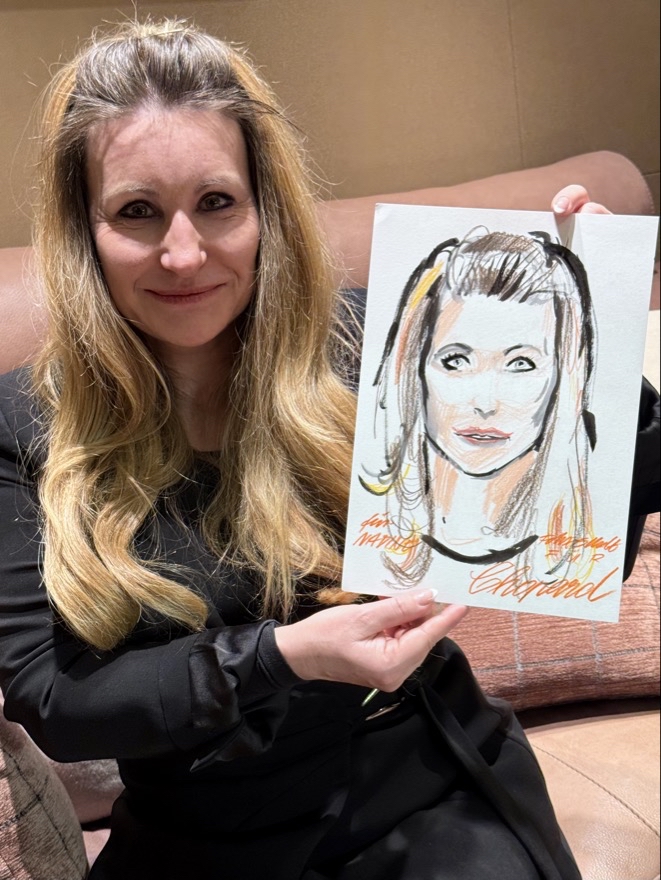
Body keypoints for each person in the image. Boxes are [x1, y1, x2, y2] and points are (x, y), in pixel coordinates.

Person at [0, 18, 611, 880]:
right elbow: (56, 701)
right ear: (83, 231)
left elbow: (574, 524)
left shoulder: (371, 345)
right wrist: (286, 654)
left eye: (217, 202)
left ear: (264, 209)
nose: (183, 253)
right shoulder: (25, 425)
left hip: (425, 787)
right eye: (137, 212)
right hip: (197, 831)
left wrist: (592, 319)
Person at [364, 228, 597, 587]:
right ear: (414, 369)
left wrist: (601, 239)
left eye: (521, 364)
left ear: (563, 379)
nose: (485, 404)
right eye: (456, 361)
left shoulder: (589, 552)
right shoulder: (360, 533)